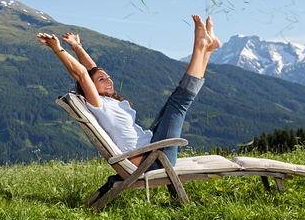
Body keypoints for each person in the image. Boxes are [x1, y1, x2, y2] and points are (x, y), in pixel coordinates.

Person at [37, 15, 221, 169]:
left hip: (152, 149)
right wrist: (57, 49)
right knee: (178, 103)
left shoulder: (105, 100)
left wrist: (78, 47)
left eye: (108, 77)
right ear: (91, 88)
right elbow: (83, 74)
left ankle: (207, 49)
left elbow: (92, 70)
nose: (108, 80)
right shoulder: (97, 104)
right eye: (102, 80)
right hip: (153, 160)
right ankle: (200, 46)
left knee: (174, 101)